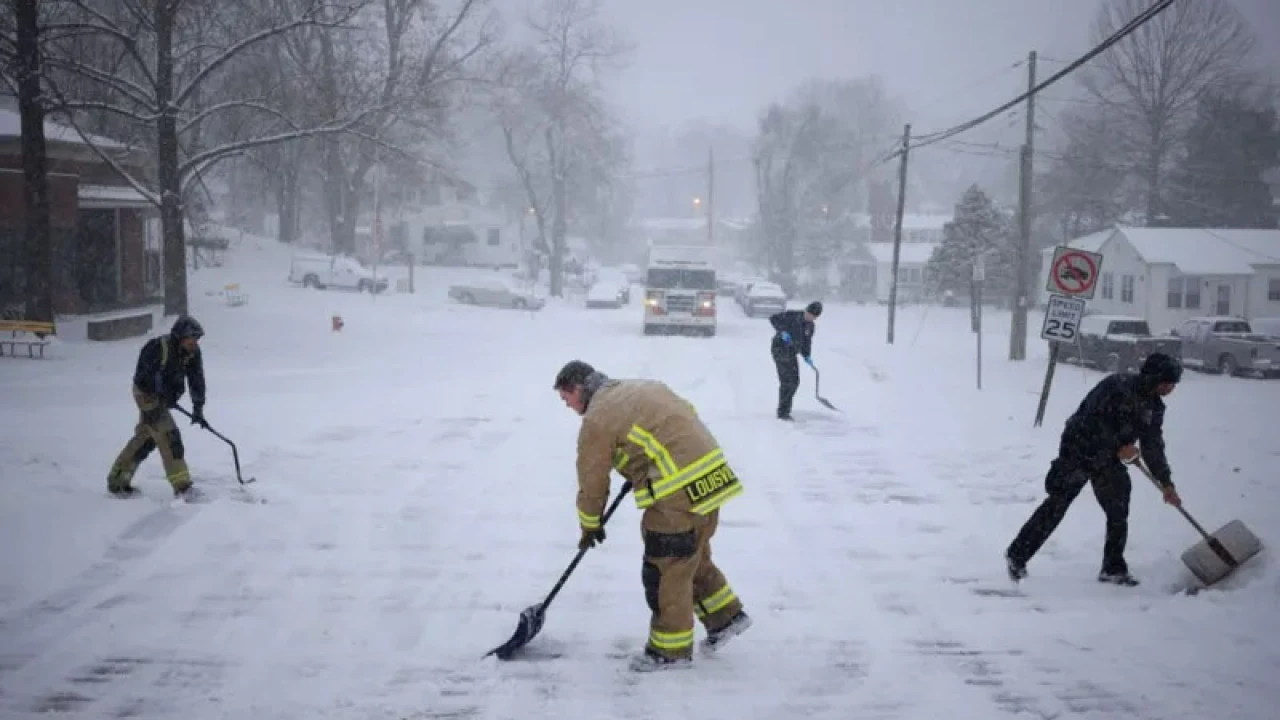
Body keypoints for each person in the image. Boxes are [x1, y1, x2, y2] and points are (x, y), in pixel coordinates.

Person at [554, 360, 751, 672]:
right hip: (713, 478)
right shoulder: (642, 388)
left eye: (566, 400)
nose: (569, 407)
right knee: (690, 553)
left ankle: (669, 651)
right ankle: (725, 617)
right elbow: (672, 427)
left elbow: (592, 480)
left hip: (677, 490)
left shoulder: (597, 419)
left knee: (665, 568)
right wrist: (641, 465)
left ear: (577, 388)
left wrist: (590, 524)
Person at [1005, 352, 1184, 586]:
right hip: (1079, 449)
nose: (1171, 388)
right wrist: (1120, 446)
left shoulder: (1154, 408)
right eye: (1168, 383)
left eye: (1173, 384)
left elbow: (1153, 445)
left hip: (1108, 460)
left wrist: (1166, 482)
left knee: (1118, 508)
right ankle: (1017, 556)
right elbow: (1089, 421)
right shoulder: (1115, 386)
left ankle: (1113, 567)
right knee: (1058, 503)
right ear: (1154, 378)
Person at [106, 315, 209, 500]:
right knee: (170, 436)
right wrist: (161, 393)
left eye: (197, 339)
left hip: (163, 398)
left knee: (147, 439)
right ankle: (183, 487)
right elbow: (142, 378)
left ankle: (117, 480)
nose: (195, 342)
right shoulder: (156, 348)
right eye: (191, 338)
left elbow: (196, 379)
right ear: (180, 336)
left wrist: (198, 407)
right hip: (146, 396)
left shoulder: (193, 353)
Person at [768, 301, 822, 420]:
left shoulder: (810, 326)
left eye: (813, 317)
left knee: (795, 381)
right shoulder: (792, 315)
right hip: (780, 350)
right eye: (809, 314)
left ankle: (784, 410)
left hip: (792, 353)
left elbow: (806, 342)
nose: (810, 317)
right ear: (806, 310)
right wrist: (782, 332)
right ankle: (783, 412)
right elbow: (773, 319)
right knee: (788, 381)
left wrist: (807, 355)